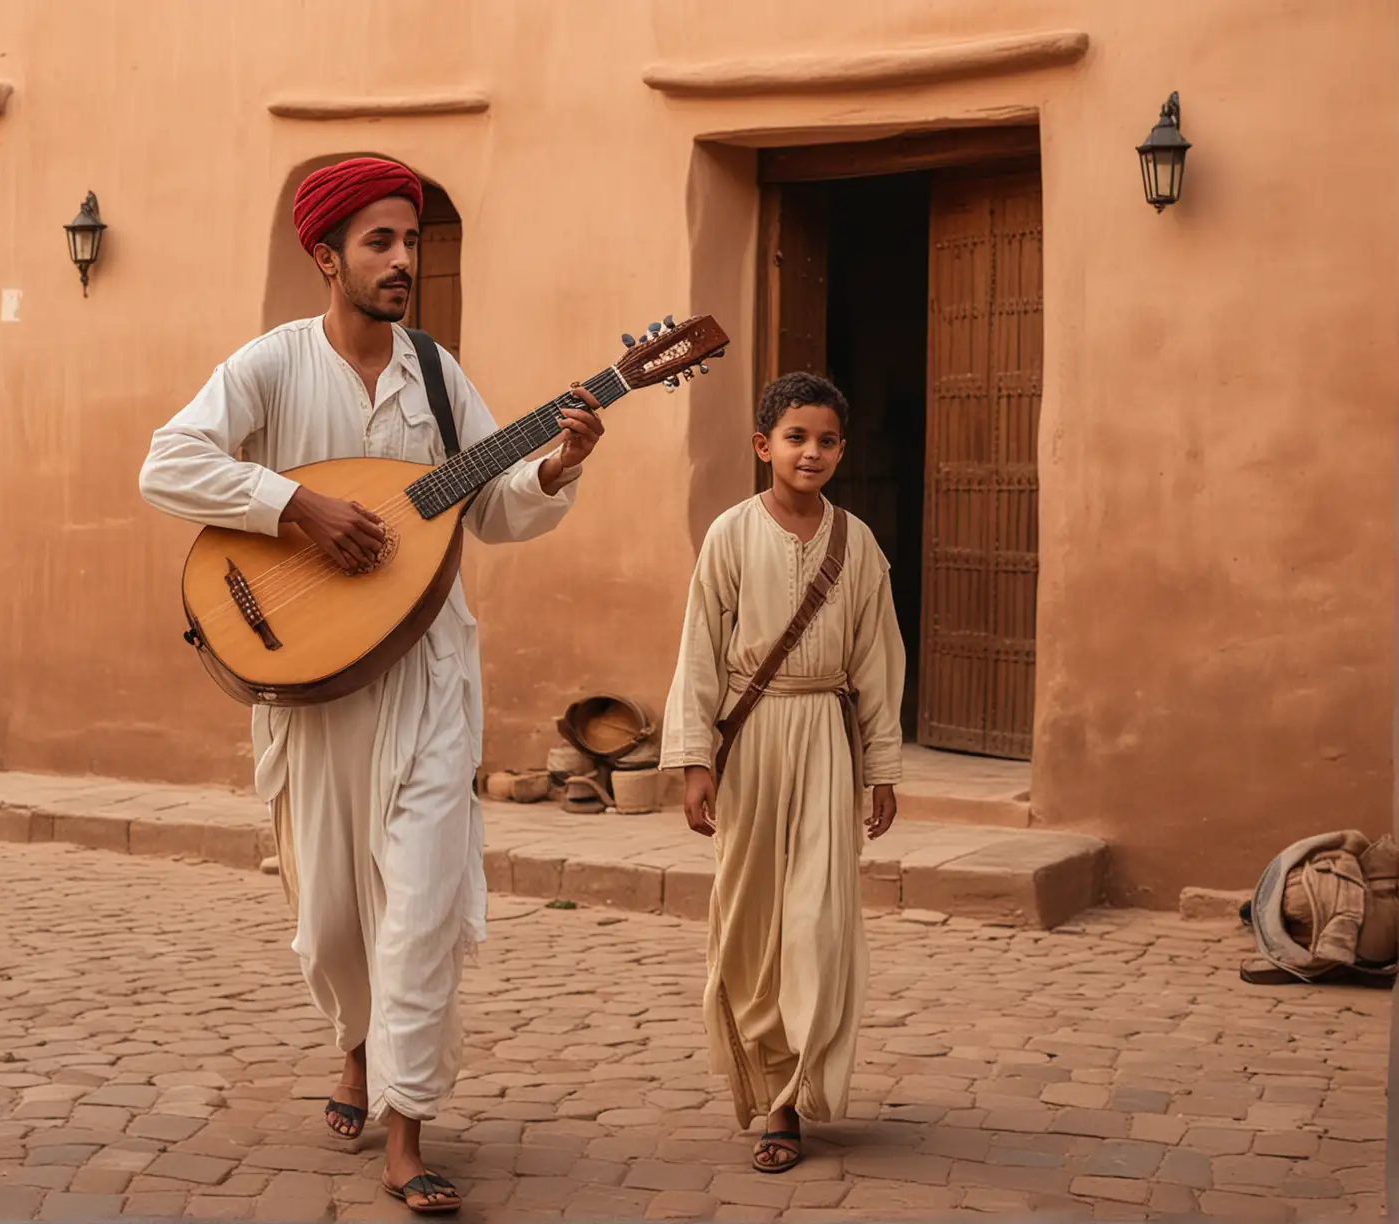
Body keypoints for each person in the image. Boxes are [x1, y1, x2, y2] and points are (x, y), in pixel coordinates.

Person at [138, 156, 600, 1213]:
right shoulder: (269, 365)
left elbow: (486, 506)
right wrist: (294, 507)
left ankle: (408, 1131)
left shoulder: (438, 374)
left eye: (412, 241)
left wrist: (556, 466)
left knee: (423, 902)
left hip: (429, 671)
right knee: (334, 916)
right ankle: (355, 1046)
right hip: (311, 679)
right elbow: (168, 464)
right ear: (326, 256)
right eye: (381, 242)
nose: (403, 261)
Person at [658, 370, 906, 1174]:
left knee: (818, 921)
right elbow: (700, 652)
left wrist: (882, 766)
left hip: (826, 741)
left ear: (842, 448)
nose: (812, 452)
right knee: (752, 920)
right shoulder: (730, 534)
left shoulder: (857, 542)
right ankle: (761, 1076)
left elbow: (878, 659)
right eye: (796, 437)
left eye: (827, 439)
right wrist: (696, 760)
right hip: (753, 739)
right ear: (763, 445)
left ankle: (790, 1100)